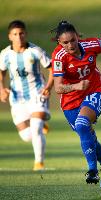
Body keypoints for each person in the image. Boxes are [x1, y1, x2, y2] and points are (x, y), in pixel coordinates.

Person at [50, 21, 101, 184]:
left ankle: (92, 171)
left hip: (94, 90)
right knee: (87, 134)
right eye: (65, 42)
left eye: (73, 40)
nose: (70, 45)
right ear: (59, 43)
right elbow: (58, 87)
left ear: (78, 37)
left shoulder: (91, 44)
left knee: (83, 124)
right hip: (70, 102)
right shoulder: (58, 56)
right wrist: (76, 86)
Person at [0, 20, 53, 171]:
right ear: (10, 36)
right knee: (26, 136)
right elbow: (1, 72)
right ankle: (42, 125)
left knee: (36, 128)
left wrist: (48, 87)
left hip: (37, 93)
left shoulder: (36, 51)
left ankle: (39, 164)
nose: (19, 37)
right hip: (17, 98)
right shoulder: (5, 54)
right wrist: (2, 89)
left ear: (26, 34)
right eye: (15, 34)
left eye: (21, 33)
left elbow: (52, 69)